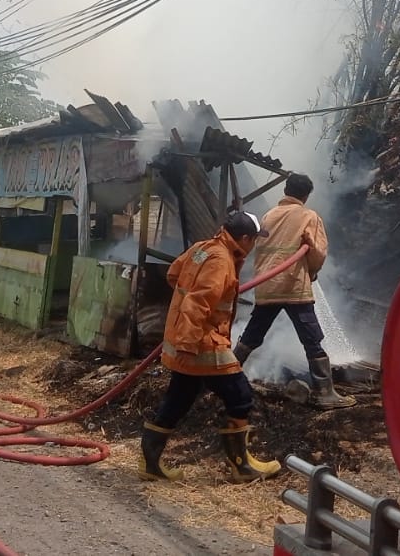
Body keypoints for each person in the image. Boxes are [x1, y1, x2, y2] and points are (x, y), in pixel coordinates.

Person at [140, 211, 281, 484]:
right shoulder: (220, 260)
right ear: (243, 238)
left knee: (178, 400)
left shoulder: (203, 248)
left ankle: (150, 462)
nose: (253, 246)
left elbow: (174, 274)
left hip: (188, 342)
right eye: (254, 240)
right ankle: (241, 466)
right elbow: (198, 302)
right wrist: (189, 343)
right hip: (202, 345)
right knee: (240, 396)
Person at [233, 173, 355, 409]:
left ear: (286, 191)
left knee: (251, 336)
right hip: (293, 287)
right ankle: (324, 393)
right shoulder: (308, 216)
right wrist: (311, 272)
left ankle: (224, 377)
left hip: (267, 286)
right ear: (306, 195)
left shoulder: (269, 216)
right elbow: (318, 253)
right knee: (312, 339)